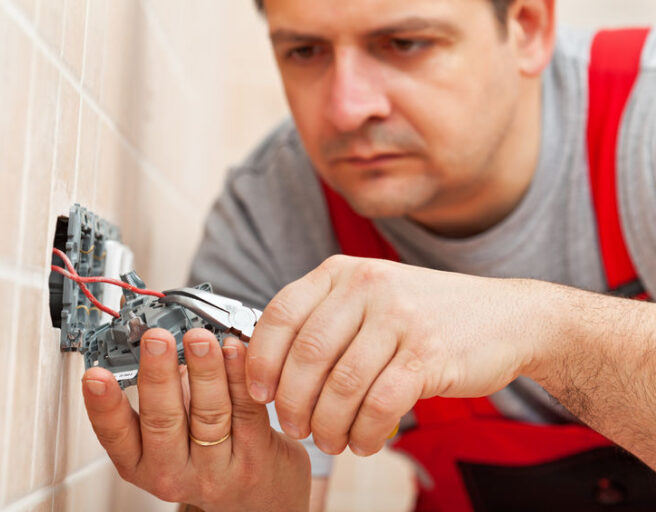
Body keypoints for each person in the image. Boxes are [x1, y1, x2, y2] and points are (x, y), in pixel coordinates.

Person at [81, 0, 656, 510]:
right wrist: (254, 500)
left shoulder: (644, 120)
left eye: (405, 43)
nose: (347, 108)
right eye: (305, 51)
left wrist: (539, 328)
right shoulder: (273, 215)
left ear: (527, 26)